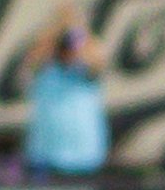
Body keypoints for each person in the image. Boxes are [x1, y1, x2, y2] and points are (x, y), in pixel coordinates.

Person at [21, 16, 110, 179]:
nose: (69, 51)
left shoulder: (87, 72)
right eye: (65, 46)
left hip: (85, 159)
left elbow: (97, 55)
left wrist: (78, 26)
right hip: (45, 160)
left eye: (72, 46)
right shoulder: (44, 72)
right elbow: (35, 54)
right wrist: (58, 25)